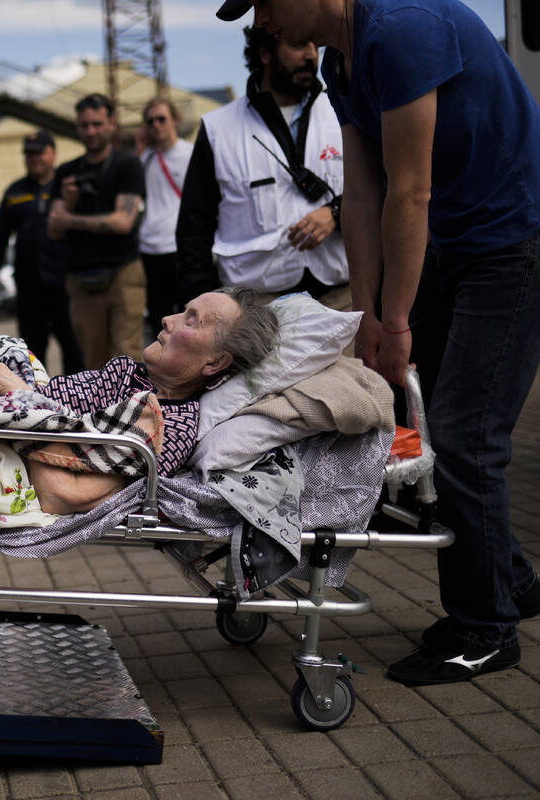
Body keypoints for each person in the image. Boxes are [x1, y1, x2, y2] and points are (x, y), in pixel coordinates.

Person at [218, 0, 540, 684]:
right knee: (438, 433)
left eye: (267, 3)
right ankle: (510, 580)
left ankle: (485, 626)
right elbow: (362, 195)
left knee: (463, 436)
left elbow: (411, 192)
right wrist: (366, 317)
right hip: (457, 243)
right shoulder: (343, 58)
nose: (263, 22)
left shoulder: (400, 29)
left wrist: (396, 320)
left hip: (514, 239)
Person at [0, 287, 279, 514]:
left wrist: (23, 400)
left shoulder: (169, 426)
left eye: (191, 321)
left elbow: (61, 494)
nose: (167, 319)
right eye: (182, 310)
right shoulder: (127, 373)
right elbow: (53, 395)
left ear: (214, 363)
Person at [176, 26, 348, 311]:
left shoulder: (342, 110)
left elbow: (380, 186)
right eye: (297, 44)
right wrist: (203, 306)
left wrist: (335, 213)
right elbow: (194, 229)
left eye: (315, 46)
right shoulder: (217, 128)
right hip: (257, 310)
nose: (310, 55)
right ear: (265, 53)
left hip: (342, 299)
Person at [47, 93, 147, 370]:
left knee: (127, 360)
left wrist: (72, 218)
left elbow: (123, 222)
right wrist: (67, 202)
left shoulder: (128, 165)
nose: (90, 131)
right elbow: (54, 229)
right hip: (81, 281)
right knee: (93, 363)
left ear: (112, 123)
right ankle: (102, 414)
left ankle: (134, 413)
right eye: (84, 125)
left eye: (97, 124)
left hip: (123, 275)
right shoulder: (67, 172)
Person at [0, 130, 84, 373]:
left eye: (39, 152)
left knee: (73, 344)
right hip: (30, 285)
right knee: (32, 350)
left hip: (65, 282)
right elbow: (0, 237)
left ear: (52, 154)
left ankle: (75, 397)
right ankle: (38, 400)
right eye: (28, 154)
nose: (34, 158)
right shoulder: (15, 192)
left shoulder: (68, 188)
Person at [136, 98, 194, 335]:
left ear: (175, 120)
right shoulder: (146, 157)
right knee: (158, 319)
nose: (156, 125)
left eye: (161, 119)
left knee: (188, 316)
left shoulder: (189, 153)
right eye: (150, 121)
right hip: (150, 247)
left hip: (180, 245)